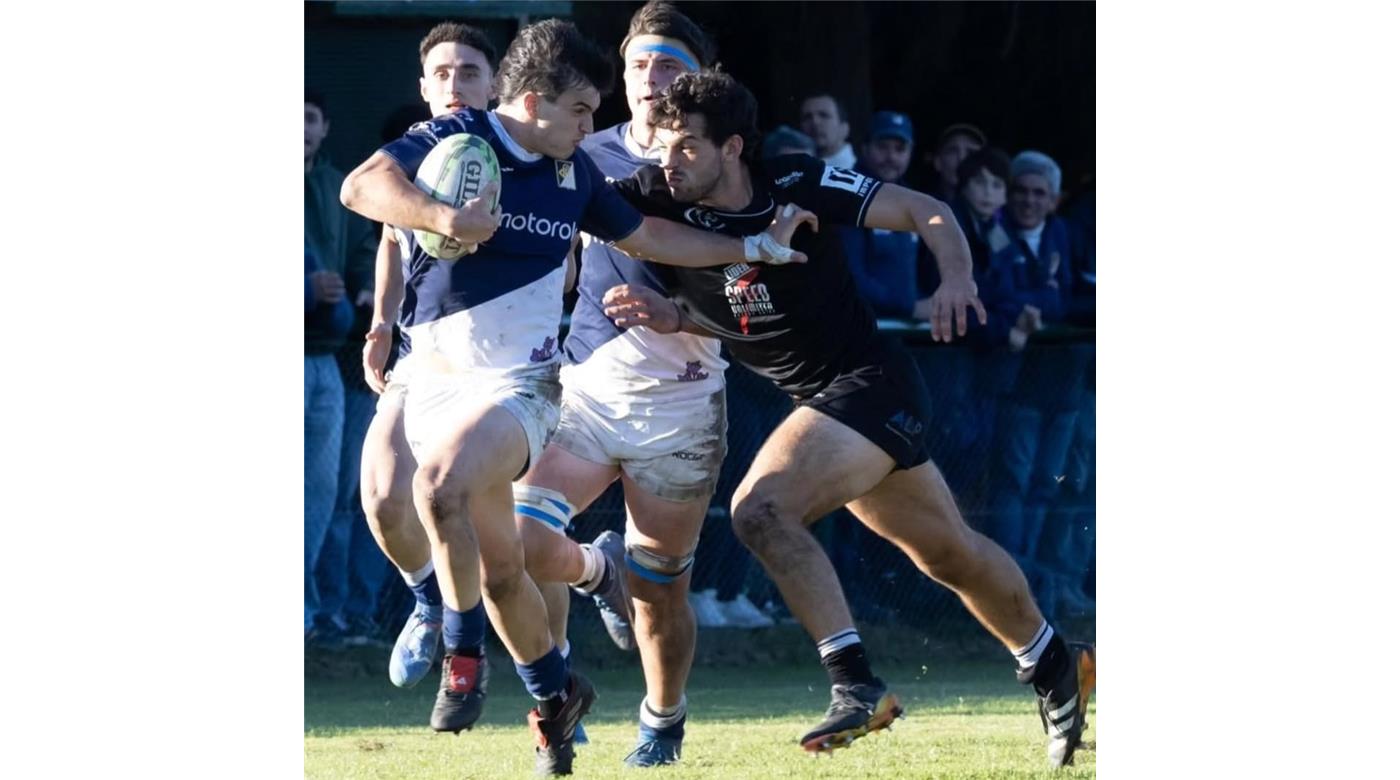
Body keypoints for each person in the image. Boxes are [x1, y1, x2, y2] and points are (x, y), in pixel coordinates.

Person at [339, 19, 813, 776]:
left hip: (523, 386)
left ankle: (461, 656)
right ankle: (556, 698)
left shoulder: (575, 174)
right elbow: (360, 186)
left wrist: (751, 247)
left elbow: (655, 239)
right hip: (433, 375)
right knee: (501, 570)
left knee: (438, 487)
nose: (595, 128)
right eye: (584, 112)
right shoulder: (463, 137)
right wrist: (441, 217)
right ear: (535, 104)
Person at [601, 71, 1095, 768]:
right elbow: (580, 209)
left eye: (686, 147)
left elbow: (928, 211)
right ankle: (1055, 665)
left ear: (733, 148)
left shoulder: (796, 181)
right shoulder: (652, 199)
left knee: (760, 510)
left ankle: (856, 685)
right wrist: (675, 314)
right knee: (946, 552)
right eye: (662, 146)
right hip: (824, 404)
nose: (667, 162)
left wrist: (957, 277)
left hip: (871, 384)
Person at [510, 2, 729, 767]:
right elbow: (543, 240)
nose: (648, 79)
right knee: (520, 537)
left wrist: (677, 313)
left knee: (660, 589)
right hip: (587, 391)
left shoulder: (724, 163)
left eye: (666, 64)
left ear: (696, 77)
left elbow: (758, 292)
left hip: (682, 407)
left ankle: (662, 721)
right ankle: (590, 581)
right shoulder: (581, 148)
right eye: (637, 63)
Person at [304, 89, 376, 642]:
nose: (300, 129)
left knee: (324, 494)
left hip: (329, 359)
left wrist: (364, 287)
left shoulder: (336, 185)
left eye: (309, 117)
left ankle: (314, 611)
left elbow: (362, 248)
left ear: (325, 126)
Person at [924, 122, 986, 204]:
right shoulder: (922, 206)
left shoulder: (1001, 213)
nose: (962, 158)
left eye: (971, 153)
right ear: (937, 162)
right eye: (952, 151)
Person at [798, 93, 856, 168]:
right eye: (807, 117)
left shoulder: (863, 173)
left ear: (844, 128)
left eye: (824, 115)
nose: (815, 122)